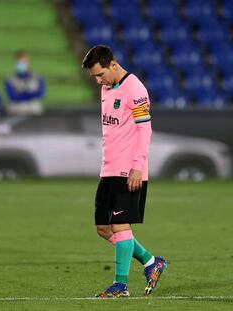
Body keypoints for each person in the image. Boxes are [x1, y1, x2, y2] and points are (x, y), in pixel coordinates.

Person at [81, 45, 166, 298]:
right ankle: (152, 261)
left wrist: (138, 167)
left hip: (128, 170)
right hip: (108, 169)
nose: (98, 81)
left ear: (113, 65)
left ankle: (121, 284)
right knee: (103, 229)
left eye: (100, 74)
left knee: (119, 224)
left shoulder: (136, 89)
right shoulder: (108, 88)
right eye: (94, 77)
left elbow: (145, 130)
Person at [4, 50, 45, 115]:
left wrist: (22, 94)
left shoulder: (38, 78)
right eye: (18, 62)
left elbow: (40, 94)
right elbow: (13, 96)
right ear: (14, 63)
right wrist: (30, 94)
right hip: (15, 112)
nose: (20, 64)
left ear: (28, 62)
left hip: (34, 113)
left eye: (23, 62)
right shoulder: (9, 79)